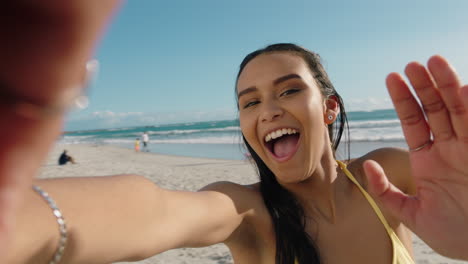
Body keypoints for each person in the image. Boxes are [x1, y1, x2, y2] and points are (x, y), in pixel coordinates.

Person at [2, 2, 468, 264]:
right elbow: (154, 209)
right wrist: (17, 224)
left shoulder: (384, 176)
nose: (267, 110)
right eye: (249, 102)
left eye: (287, 90)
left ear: (328, 107)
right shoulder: (248, 213)